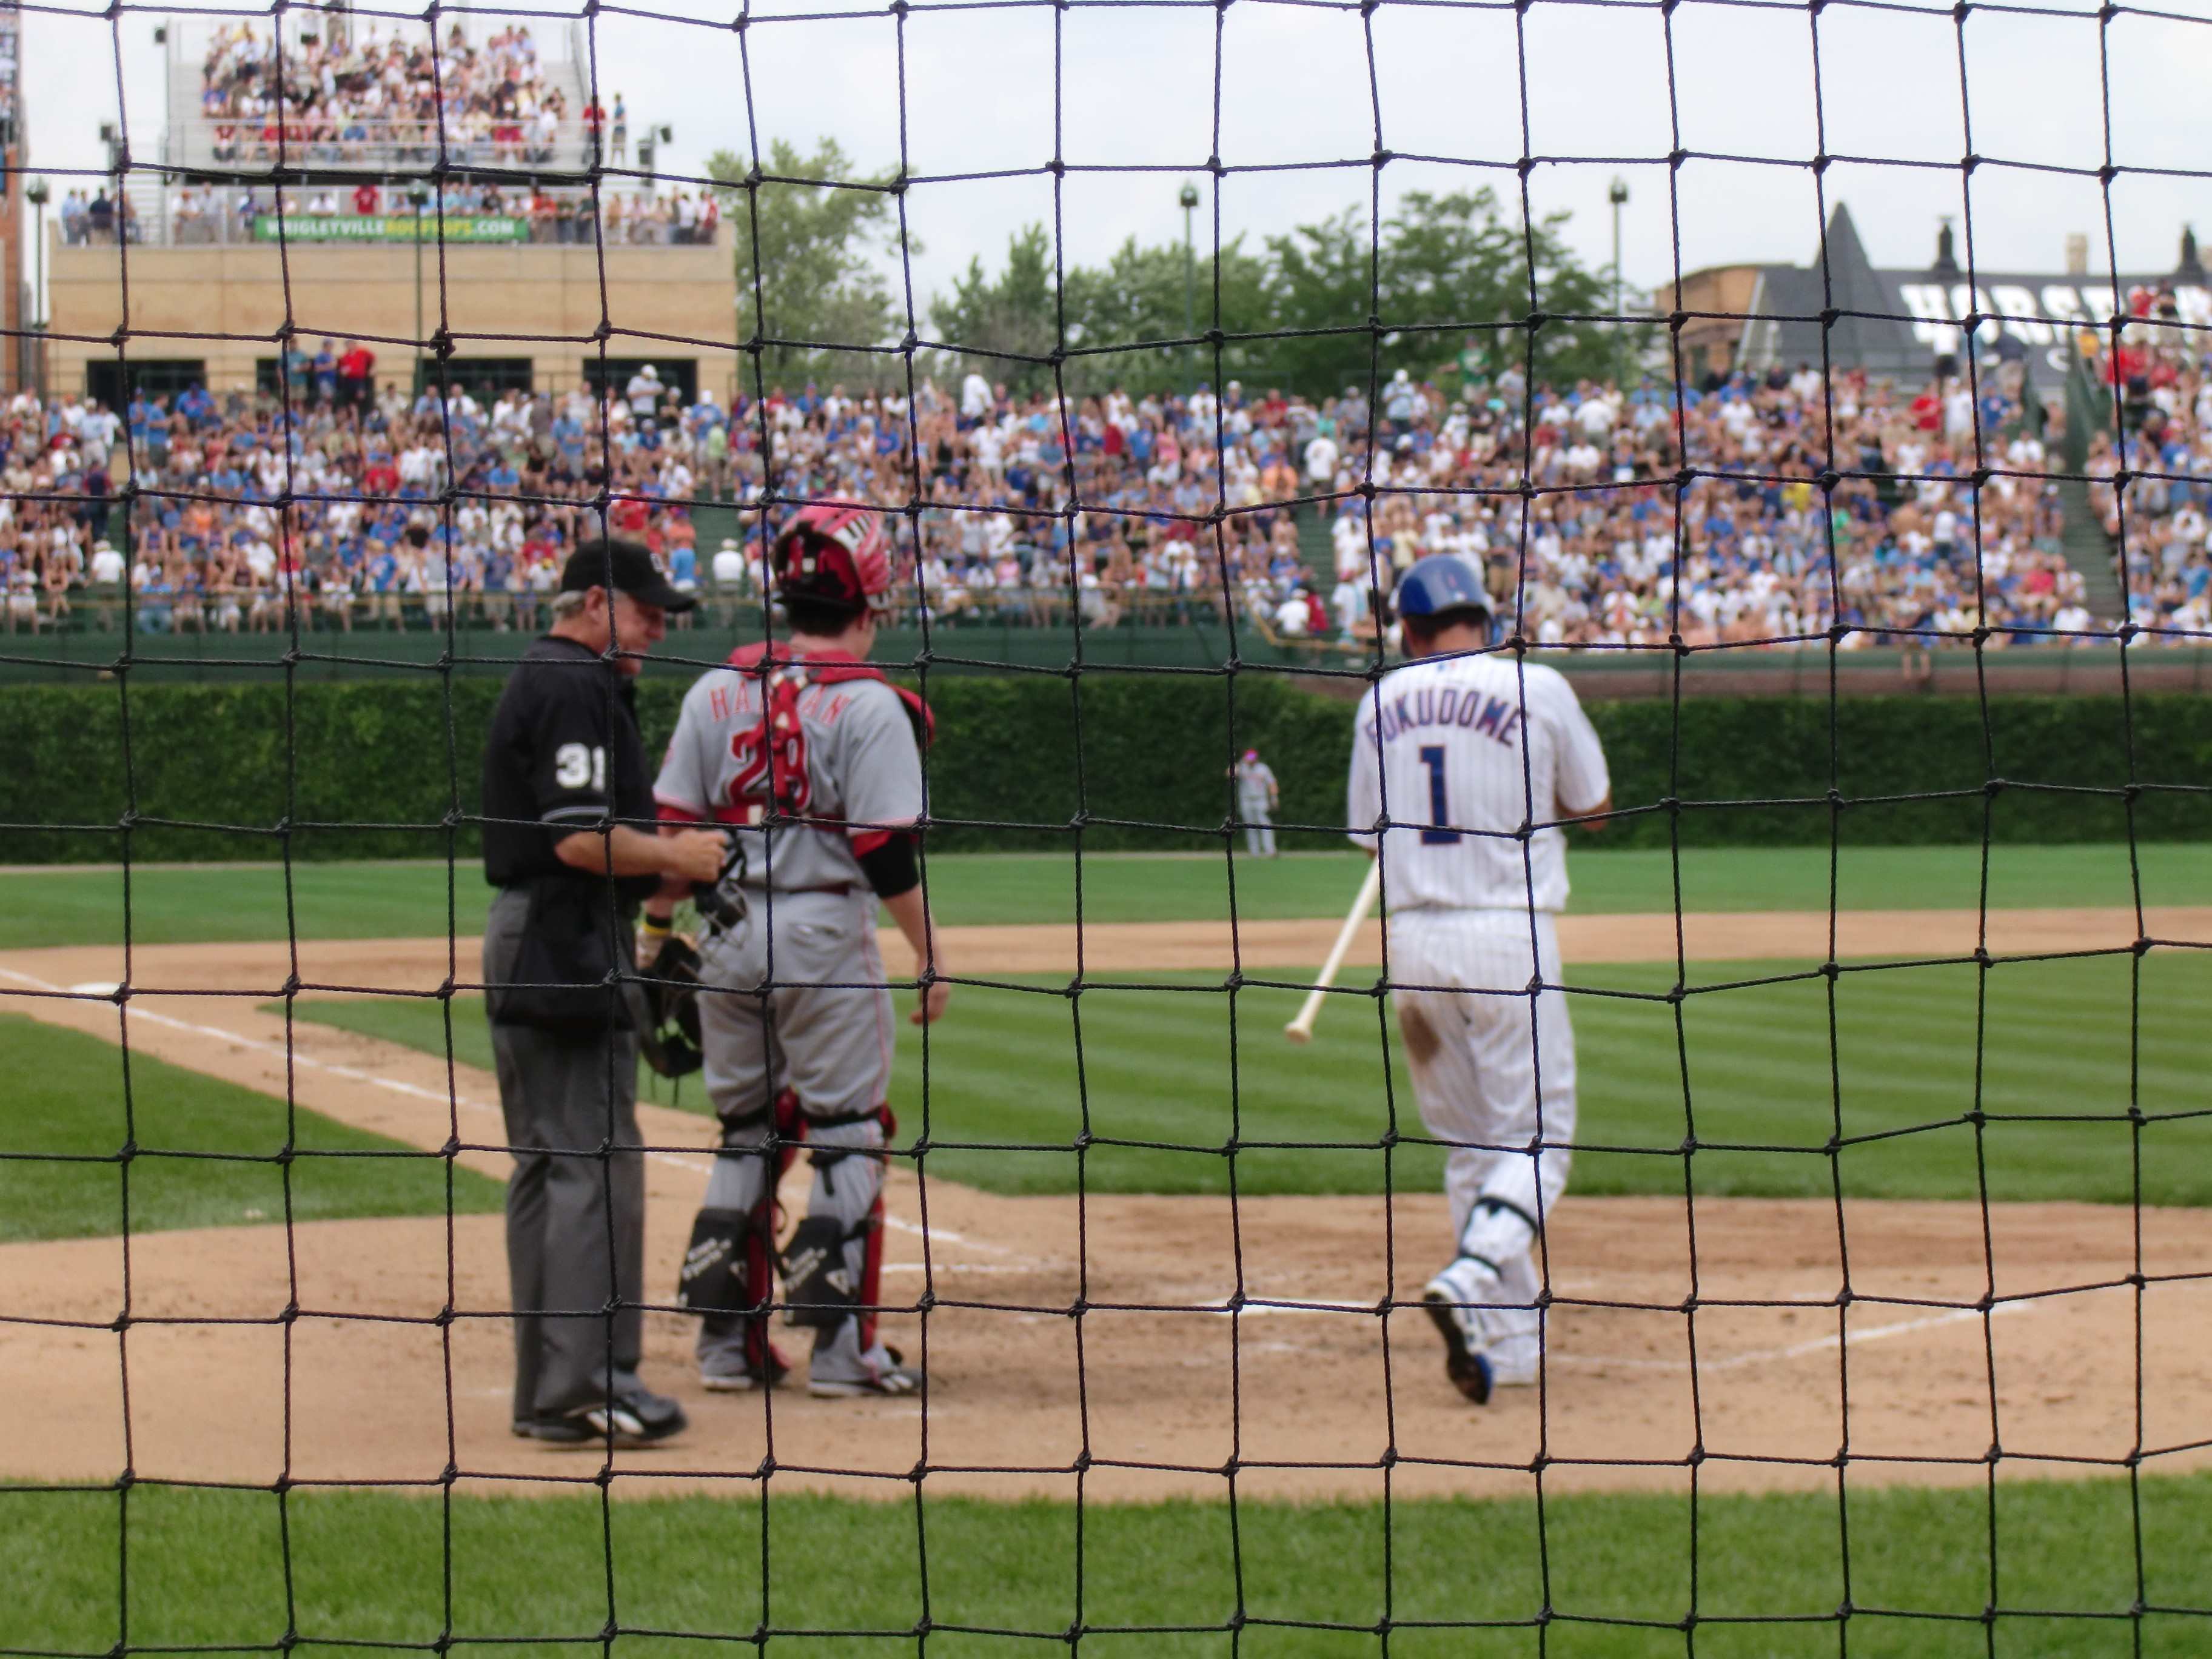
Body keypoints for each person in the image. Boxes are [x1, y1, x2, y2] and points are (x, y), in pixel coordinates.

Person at [649, 503, 950, 1399]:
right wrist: (930, 952)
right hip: (822, 937)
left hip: (727, 931)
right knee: (851, 1133)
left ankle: (725, 1349)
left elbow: (672, 832)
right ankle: (843, 1355)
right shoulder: (871, 705)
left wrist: (656, 932)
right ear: (872, 601)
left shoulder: (714, 688)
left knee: (748, 1131)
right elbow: (882, 850)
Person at [480, 538, 728, 1447]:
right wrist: (678, 854)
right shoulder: (573, 681)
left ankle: (550, 1393)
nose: (659, 630)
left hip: (544, 933)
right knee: (595, 1162)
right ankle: (590, 1385)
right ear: (595, 603)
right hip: (564, 937)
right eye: (647, 612)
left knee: (552, 1164)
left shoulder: (556, 676)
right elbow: (580, 840)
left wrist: (660, 890)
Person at [1345, 554, 1610, 1405]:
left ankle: (1511, 1340)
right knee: (1537, 1143)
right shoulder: (1539, 687)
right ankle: (1471, 1274)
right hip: (1508, 939)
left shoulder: (1380, 700)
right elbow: (1595, 806)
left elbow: (1369, 838)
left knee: (1470, 1148)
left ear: (1408, 630)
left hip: (1413, 948)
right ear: (1487, 621)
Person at [1232, 748, 1279, 857]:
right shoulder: (1242, 768)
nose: (1251, 760)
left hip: (1261, 799)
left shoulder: (1263, 768)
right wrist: (1241, 762)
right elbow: (1230, 773)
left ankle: (1270, 850)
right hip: (1246, 800)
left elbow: (1272, 783)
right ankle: (1254, 852)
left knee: (1265, 825)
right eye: (1249, 757)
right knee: (1250, 826)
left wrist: (1274, 798)